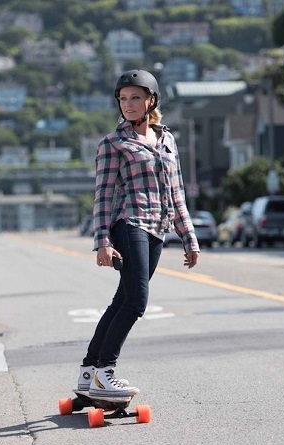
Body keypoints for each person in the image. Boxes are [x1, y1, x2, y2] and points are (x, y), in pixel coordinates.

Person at [78, 69, 200, 398]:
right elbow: (103, 196)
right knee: (136, 302)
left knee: (122, 301)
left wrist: (188, 237)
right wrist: (102, 241)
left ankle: (89, 373)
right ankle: (106, 373)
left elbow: (177, 194)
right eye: (123, 99)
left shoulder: (168, 141)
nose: (128, 104)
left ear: (151, 101)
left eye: (135, 98)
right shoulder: (113, 144)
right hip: (129, 223)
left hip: (158, 231)